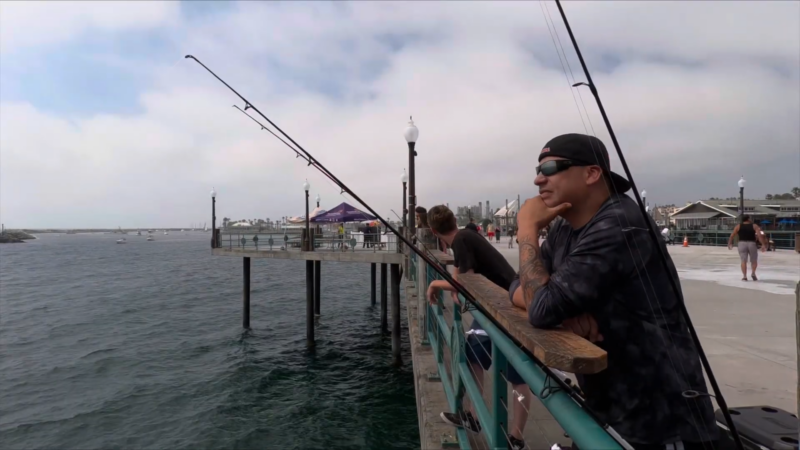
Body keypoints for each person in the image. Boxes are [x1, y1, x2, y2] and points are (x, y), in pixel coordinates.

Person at [510, 133, 718, 449]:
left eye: (551, 167)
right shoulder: (566, 228)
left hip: (661, 423)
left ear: (592, 173)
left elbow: (540, 306)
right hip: (611, 409)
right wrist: (562, 314)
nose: (539, 179)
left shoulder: (620, 224)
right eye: (538, 170)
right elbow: (520, 285)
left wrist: (527, 232)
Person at [425, 205, 531, 450]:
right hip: (499, 305)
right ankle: (475, 417)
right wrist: (453, 280)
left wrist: (436, 285)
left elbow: (466, 282)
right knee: (474, 355)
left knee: (517, 375)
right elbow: (462, 271)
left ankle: (515, 437)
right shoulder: (464, 237)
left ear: (432, 230)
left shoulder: (461, 240)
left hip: (506, 309)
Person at [727, 215, 767, 281]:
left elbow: (732, 235)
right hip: (751, 243)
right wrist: (763, 244)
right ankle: (753, 273)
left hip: (741, 243)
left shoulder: (738, 226)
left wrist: (730, 243)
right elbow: (759, 236)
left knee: (743, 261)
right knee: (754, 260)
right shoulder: (754, 226)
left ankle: (744, 276)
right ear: (748, 219)